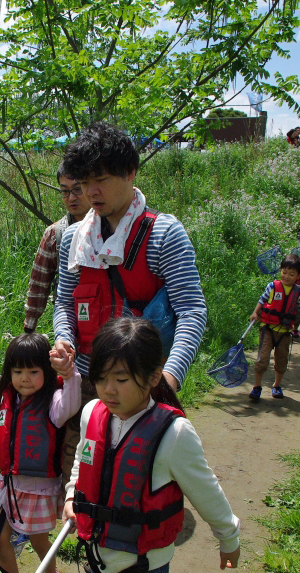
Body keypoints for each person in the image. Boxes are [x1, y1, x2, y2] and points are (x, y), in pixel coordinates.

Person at [52, 122, 207, 482]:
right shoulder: (74, 239)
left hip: (141, 384)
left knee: (138, 479)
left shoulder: (165, 234)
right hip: (86, 380)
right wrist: (64, 340)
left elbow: (192, 310)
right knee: (80, 477)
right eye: (84, 181)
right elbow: (63, 302)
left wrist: (168, 377)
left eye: (102, 179)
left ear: (131, 172)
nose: (92, 191)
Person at [63, 318, 240, 573]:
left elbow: (207, 493)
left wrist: (229, 538)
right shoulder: (92, 412)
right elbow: (82, 463)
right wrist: (72, 495)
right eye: (100, 378)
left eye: (121, 379)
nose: (109, 389)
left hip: (143, 566)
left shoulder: (175, 434)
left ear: (154, 376)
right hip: (99, 551)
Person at [0, 333, 81, 573]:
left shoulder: (54, 402)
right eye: (18, 371)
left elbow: (72, 403)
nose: (25, 378)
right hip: (8, 483)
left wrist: (70, 374)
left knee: (38, 541)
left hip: (38, 487)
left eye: (33, 371)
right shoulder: (7, 399)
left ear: (47, 373)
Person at [23, 164, 92, 333]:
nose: (71, 198)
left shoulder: (113, 228)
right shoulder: (55, 234)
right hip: (69, 321)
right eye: (65, 191)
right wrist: (29, 330)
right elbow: (39, 284)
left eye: (77, 189)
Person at [247, 254, 300, 401]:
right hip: (268, 329)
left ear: (298, 276)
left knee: (281, 360)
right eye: (284, 272)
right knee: (262, 359)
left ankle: (277, 385)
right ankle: (257, 387)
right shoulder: (272, 286)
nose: (286, 276)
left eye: (291, 274)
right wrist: (255, 312)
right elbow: (262, 300)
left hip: (284, 333)